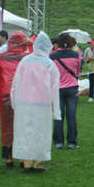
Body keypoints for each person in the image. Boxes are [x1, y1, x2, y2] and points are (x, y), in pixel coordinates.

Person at [11, 32, 61, 173]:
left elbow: (15, 83)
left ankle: (27, 161)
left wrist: (14, 102)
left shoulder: (24, 61)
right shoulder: (50, 65)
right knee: (41, 133)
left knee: (25, 132)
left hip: (23, 103)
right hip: (42, 104)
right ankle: (38, 162)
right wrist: (56, 111)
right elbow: (54, 89)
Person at [0, 31, 29, 167]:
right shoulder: (26, 58)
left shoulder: (3, 56)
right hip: (22, 94)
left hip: (5, 94)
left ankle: (8, 157)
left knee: (7, 126)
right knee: (22, 125)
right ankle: (22, 158)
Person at [50, 33, 82, 149]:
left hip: (58, 88)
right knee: (71, 116)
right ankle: (72, 142)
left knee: (58, 116)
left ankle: (58, 142)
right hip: (72, 87)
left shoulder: (52, 56)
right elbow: (78, 70)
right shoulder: (76, 55)